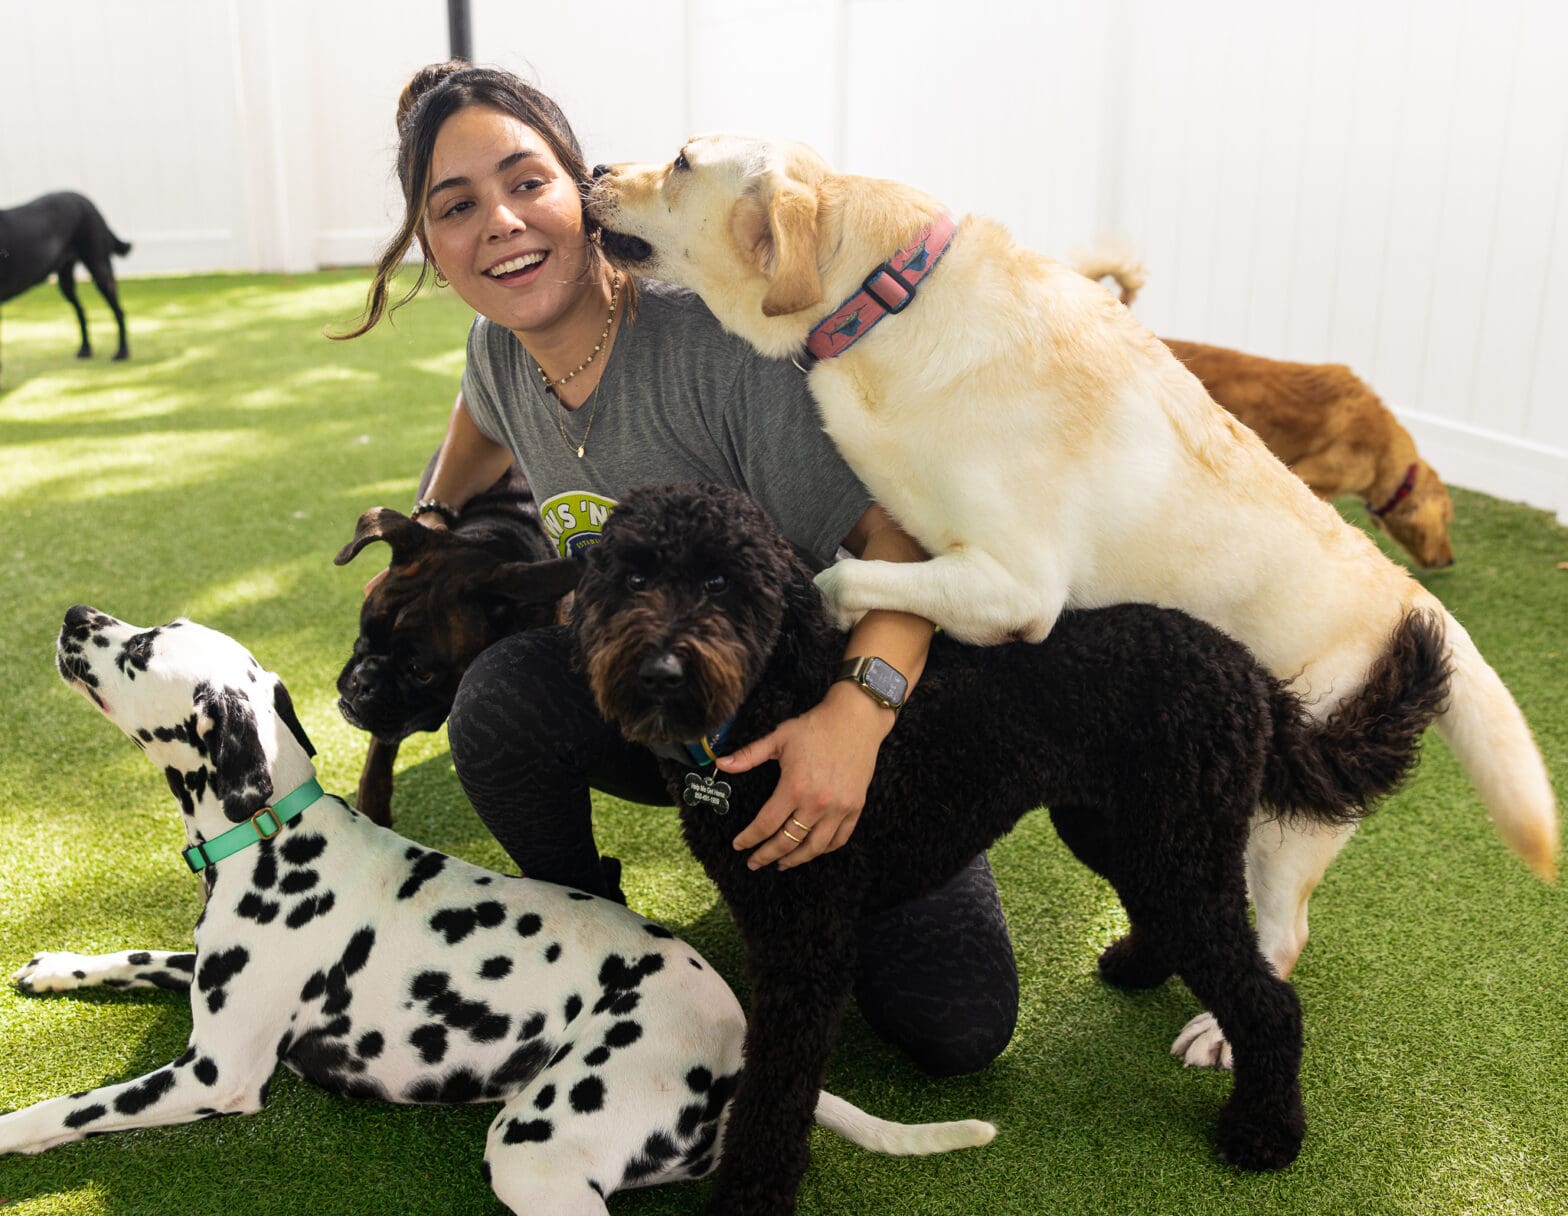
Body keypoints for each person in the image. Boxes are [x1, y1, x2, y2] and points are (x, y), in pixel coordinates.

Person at [340, 62, 1016, 1076]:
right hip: (662, 707)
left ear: (582, 190)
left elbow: (904, 544)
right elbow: (476, 420)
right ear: (431, 245)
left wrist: (857, 718)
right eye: (457, 205)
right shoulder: (497, 349)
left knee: (954, 1024)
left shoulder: (716, 345)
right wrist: (433, 518)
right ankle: (587, 930)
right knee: (499, 699)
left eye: (526, 182)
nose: (501, 223)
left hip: (812, 703)